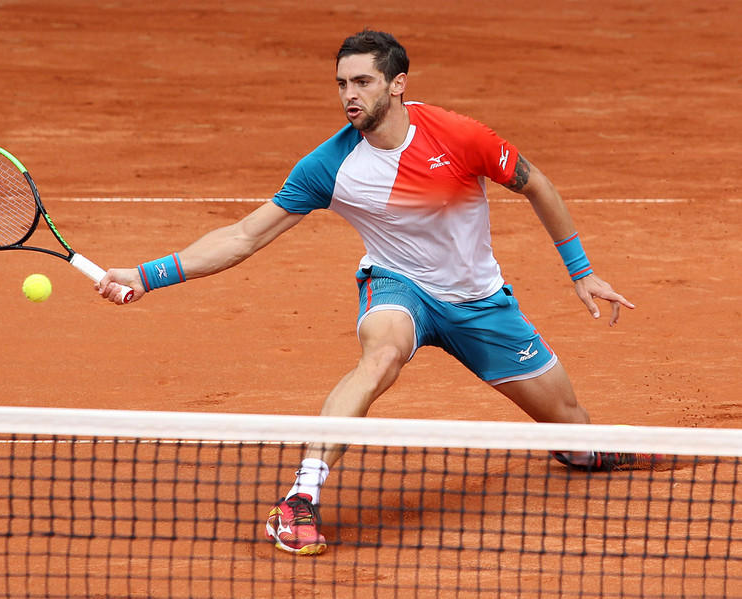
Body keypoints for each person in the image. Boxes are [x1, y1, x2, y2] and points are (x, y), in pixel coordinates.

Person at [97, 29, 652, 557]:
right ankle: (300, 498)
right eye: (342, 83)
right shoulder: (330, 165)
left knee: (577, 432)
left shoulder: (459, 136)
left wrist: (581, 272)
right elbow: (244, 235)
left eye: (362, 82)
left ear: (397, 83)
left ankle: (576, 448)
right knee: (381, 356)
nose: (349, 95)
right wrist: (147, 275)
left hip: (479, 301)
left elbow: (538, 185)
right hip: (398, 285)